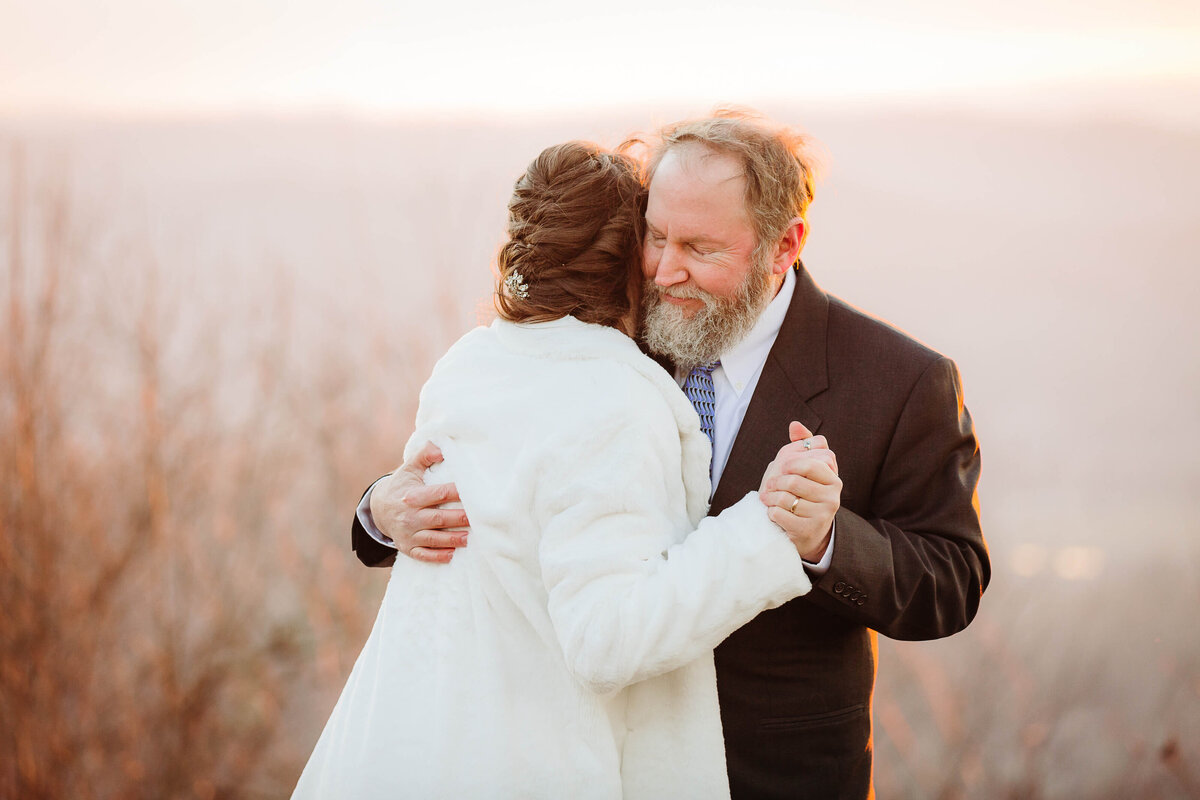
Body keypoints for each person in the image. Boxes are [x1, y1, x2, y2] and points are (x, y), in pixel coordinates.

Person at [355, 112, 991, 799]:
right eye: (655, 236)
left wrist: (826, 539)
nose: (664, 269)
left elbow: (953, 579)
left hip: (778, 776)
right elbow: (504, 467)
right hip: (606, 766)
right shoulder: (612, 335)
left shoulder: (899, 380)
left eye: (700, 247)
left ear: (785, 245)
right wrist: (380, 510)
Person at [294, 140, 838, 799]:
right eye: (656, 238)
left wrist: (382, 502)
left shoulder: (469, 366)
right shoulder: (613, 399)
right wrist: (764, 530)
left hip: (411, 747)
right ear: (626, 257)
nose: (667, 265)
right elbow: (605, 640)